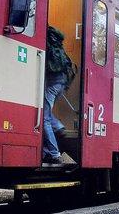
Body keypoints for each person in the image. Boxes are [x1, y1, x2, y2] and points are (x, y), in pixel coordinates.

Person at [42, 26, 73, 165]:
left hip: (52, 83)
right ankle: (58, 126)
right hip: (61, 82)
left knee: (43, 118)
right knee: (44, 112)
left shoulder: (46, 39)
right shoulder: (56, 41)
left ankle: (54, 153)